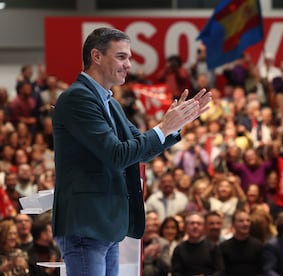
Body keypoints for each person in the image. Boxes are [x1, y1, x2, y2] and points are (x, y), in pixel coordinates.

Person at [51, 27, 211, 276]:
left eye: (130, 58)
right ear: (96, 56)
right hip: (86, 224)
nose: (129, 64)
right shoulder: (77, 99)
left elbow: (141, 151)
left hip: (107, 225)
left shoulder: (110, 102)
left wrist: (173, 127)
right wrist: (162, 128)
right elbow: (117, 155)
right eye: (122, 57)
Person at [171, 211, 224, 275]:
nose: (195, 226)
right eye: (192, 223)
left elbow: (220, 271)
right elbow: (175, 273)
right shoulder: (179, 249)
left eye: (199, 224)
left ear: (204, 227)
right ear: (186, 227)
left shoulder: (213, 247)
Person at [220, 210, 263, 276]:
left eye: (248, 220)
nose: (245, 224)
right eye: (241, 221)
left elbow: (261, 271)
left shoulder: (258, 245)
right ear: (233, 224)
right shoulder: (224, 247)